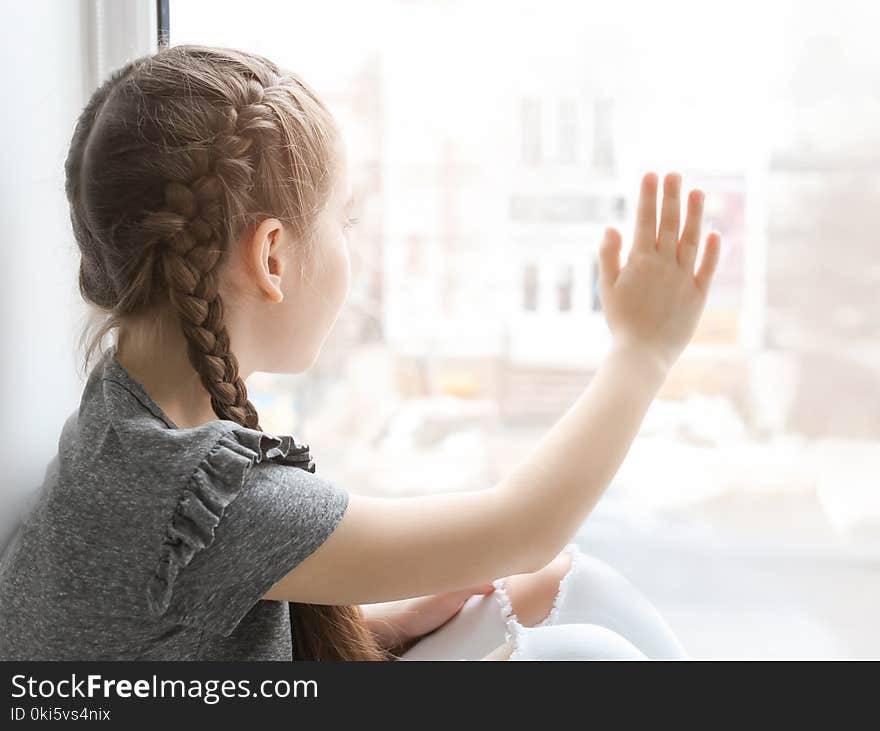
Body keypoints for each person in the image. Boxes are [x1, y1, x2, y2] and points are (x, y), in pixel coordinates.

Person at [0, 45, 720, 661]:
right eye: (344, 219)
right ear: (272, 257)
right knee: (590, 656)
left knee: (570, 586)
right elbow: (522, 526)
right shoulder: (202, 501)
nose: (354, 245)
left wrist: (383, 626)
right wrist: (643, 350)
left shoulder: (118, 418)